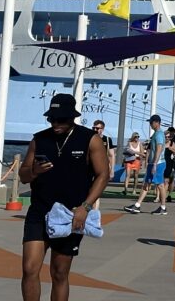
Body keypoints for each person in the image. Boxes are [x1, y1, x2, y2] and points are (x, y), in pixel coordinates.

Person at [20, 93, 109, 301]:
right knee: (29, 269)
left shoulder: (90, 139)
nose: (55, 123)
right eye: (51, 119)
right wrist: (35, 171)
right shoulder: (39, 139)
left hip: (72, 214)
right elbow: (23, 175)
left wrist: (85, 207)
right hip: (40, 211)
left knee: (59, 273)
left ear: (72, 118)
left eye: (61, 119)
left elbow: (103, 175)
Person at [124, 115, 166, 214]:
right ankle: (137, 205)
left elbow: (159, 148)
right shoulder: (156, 134)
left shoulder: (159, 134)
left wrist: (155, 164)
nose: (150, 124)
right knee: (146, 183)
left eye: (151, 122)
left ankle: (163, 207)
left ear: (156, 122)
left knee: (160, 185)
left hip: (158, 163)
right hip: (153, 162)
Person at [91, 120, 116, 208]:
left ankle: (95, 212)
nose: (95, 129)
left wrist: (112, 170)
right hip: (90, 168)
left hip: (102, 168)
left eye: (97, 128)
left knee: (97, 190)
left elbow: (112, 155)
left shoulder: (107, 140)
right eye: (93, 128)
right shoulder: (90, 137)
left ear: (102, 129)